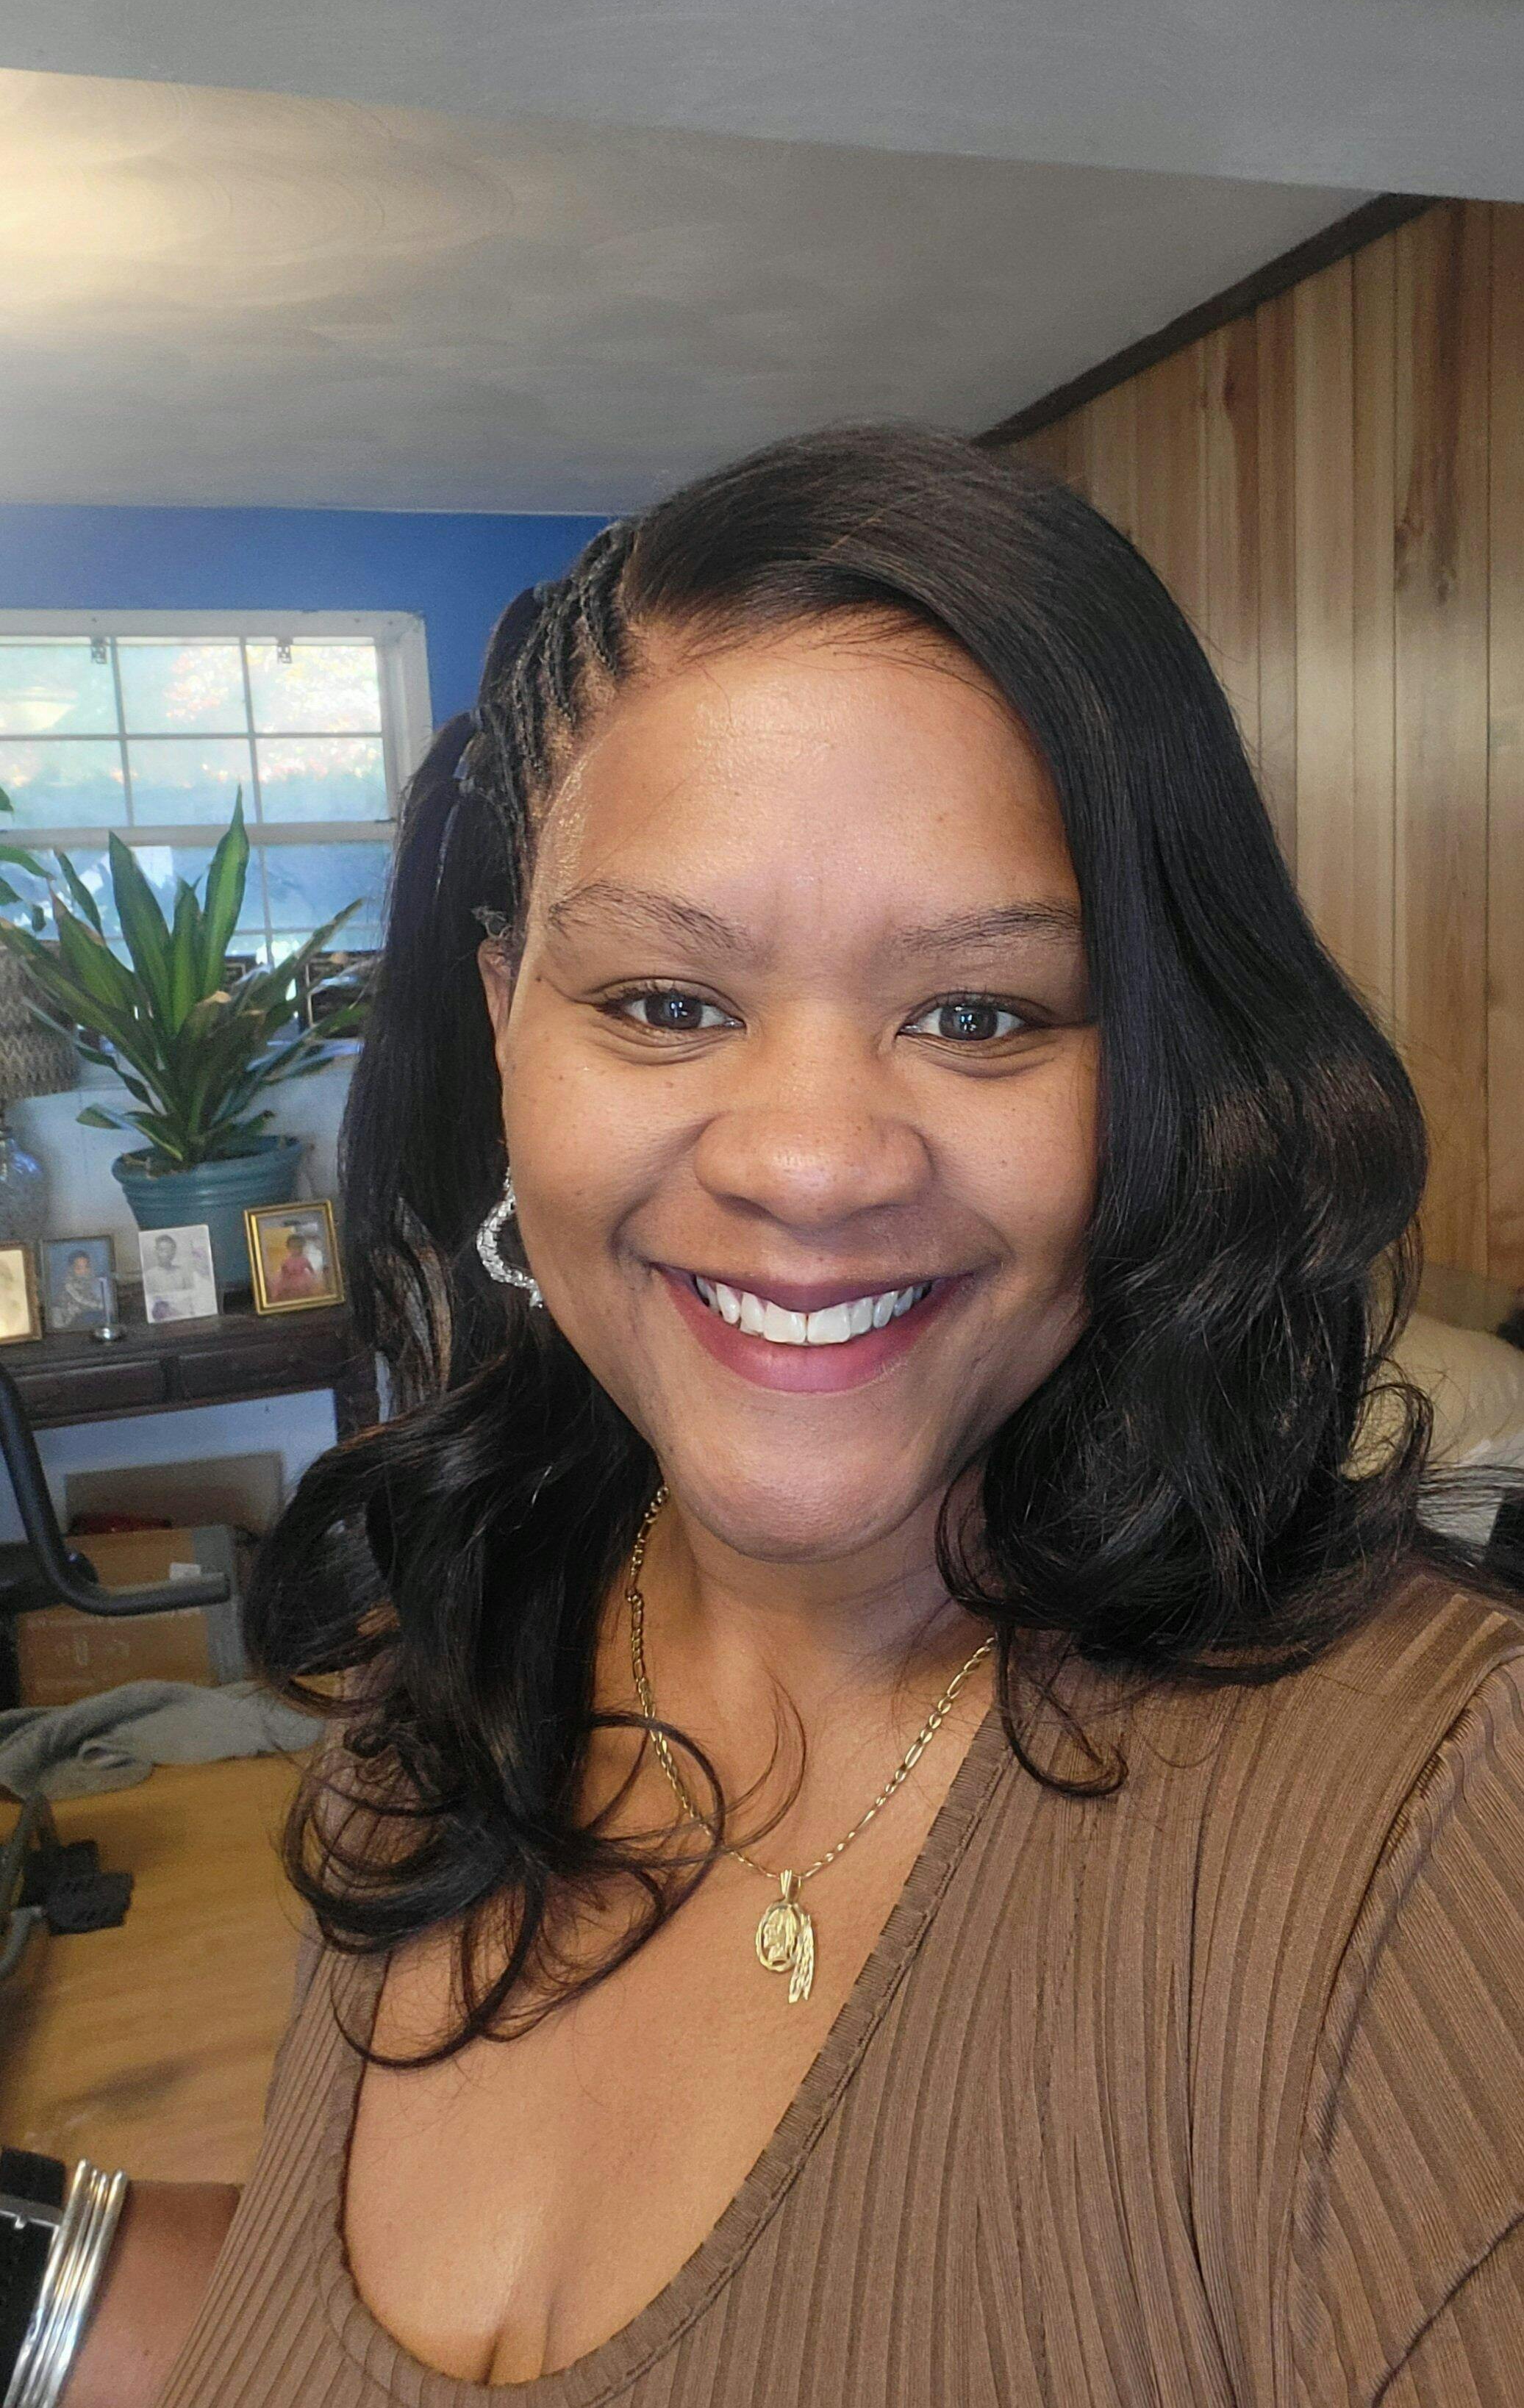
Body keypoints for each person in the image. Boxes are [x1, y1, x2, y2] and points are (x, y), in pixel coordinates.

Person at [23, 426, 1523, 2408]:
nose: (810, 1162)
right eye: (667, 1001)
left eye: (979, 1013)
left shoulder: (1430, 1835)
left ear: (1166, 1071)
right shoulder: (473, 1645)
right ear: (506, 1020)